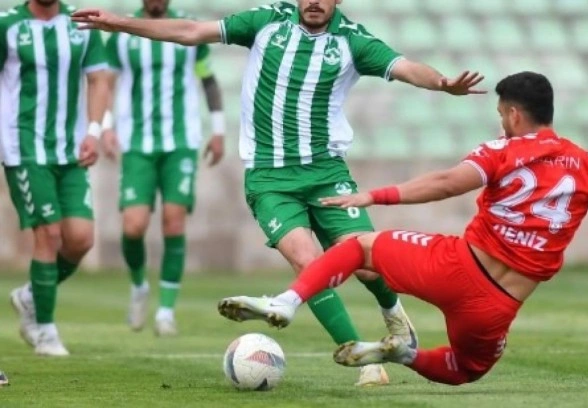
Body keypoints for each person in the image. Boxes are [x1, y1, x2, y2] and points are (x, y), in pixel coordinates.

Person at [72, 0, 484, 385]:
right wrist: (119, 23)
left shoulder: (352, 41)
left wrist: (442, 83)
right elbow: (191, 31)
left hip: (326, 173)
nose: (314, 2)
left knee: (366, 265)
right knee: (308, 263)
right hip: (269, 179)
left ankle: (393, 314)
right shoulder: (267, 22)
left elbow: (406, 67)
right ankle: (364, 359)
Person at [214, 72, 588, 386]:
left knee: (358, 247)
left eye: (501, 114)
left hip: (455, 267)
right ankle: (402, 354)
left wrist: (374, 196)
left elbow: (445, 184)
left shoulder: (503, 150)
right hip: (496, 309)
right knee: (465, 370)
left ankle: (287, 301)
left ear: (513, 114)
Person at [101, 0, 226, 337]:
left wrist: (218, 130)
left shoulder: (188, 29)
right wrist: (107, 127)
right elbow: (106, 82)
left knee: (174, 221)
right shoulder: (122, 33)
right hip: (136, 142)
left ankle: (166, 312)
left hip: (180, 140)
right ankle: (139, 285)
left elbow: (208, 80)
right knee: (133, 226)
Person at [2, 0, 108, 356]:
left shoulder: (80, 23)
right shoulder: (7, 25)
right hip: (24, 148)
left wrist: (94, 131)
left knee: (80, 239)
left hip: (70, 150)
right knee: (48, 233)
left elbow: (98, 79)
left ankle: (31, 295)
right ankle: (45, 331)